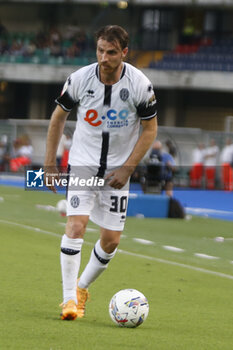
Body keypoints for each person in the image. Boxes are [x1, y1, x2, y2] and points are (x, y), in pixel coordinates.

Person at [44, 25, 157, 321]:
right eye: (100, 51)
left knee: (111, 241)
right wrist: (50, 163)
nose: (103, 58)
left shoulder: (140, 84)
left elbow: (150, 129)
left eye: (110, 52)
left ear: (124, 53)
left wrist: (128, 168)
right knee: (76, 227)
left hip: (118, 172)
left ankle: (82, 288)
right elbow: (57, 120)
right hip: (83, 164)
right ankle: (69, 300)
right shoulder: (80, 79)